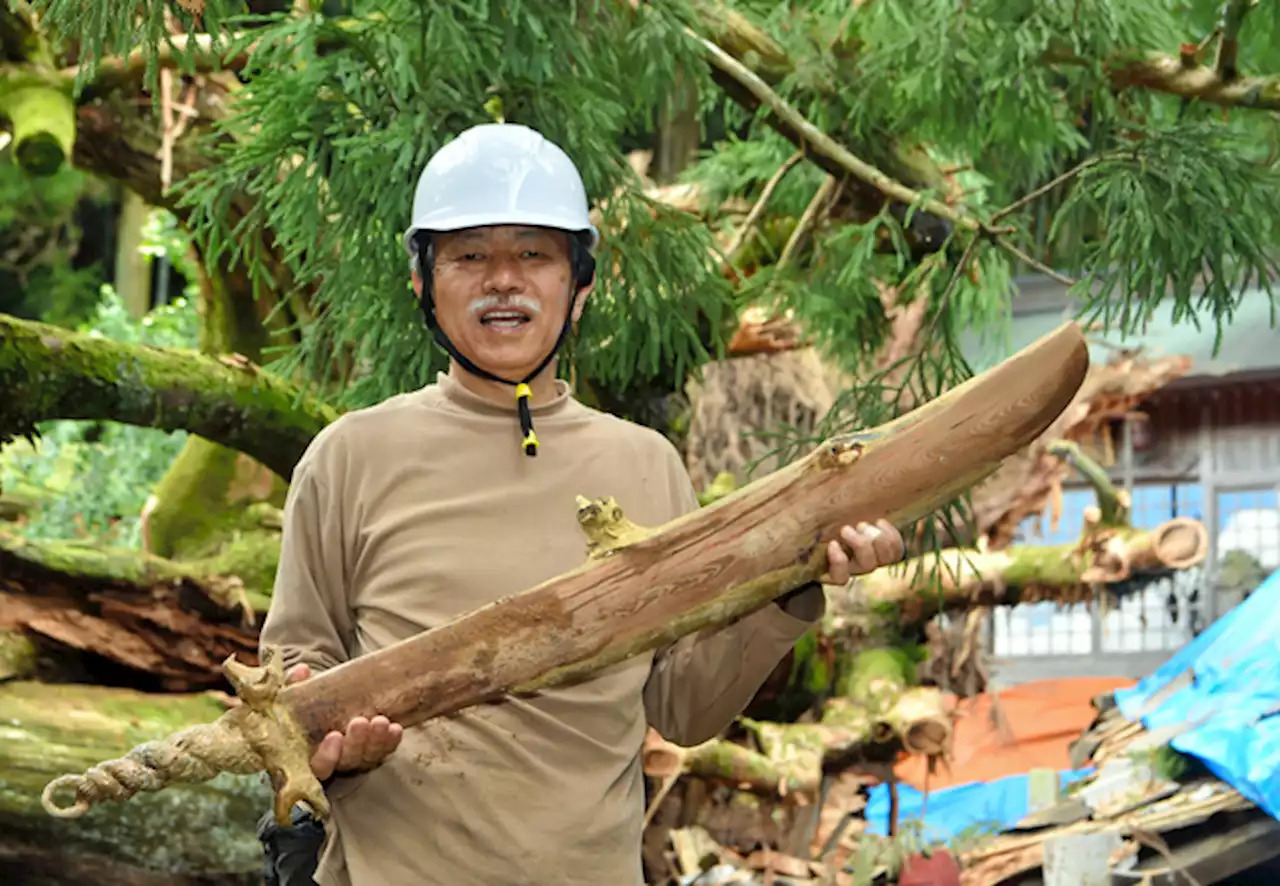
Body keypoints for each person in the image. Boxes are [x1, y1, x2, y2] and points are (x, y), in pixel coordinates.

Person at [256, 122, 905, 886]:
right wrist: (330, 745)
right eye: (470, 256)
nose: (504, 280)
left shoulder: (646, 465)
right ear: (423, 282)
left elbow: (683, 709)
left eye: (534, 254)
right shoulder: (350, 458)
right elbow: (292, 677)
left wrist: (791, 586)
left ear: (582, 284)